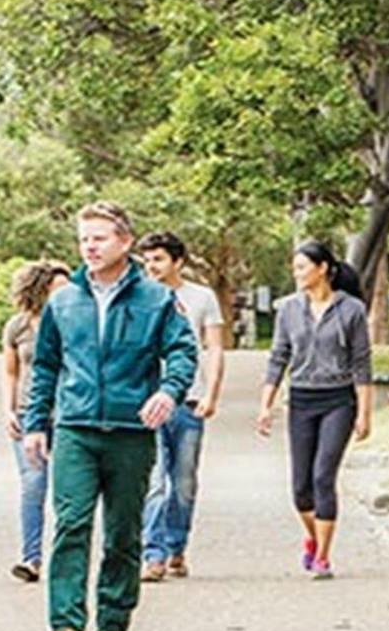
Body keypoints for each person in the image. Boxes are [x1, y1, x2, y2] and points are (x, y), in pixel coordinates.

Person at [22, 202, 197, 631]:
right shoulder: (63, 301)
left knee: (123, 532)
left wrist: (169, 391)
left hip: (130, 430)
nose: (90, 247)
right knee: (72, 524)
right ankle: (66, 627)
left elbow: (182, 351)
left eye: (99, 238)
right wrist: (36, 422)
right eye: (84, 239)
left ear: (124, 241)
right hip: (76, 428)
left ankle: (114, 628)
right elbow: (45, 367)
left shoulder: (155, 299)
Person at [255, 240, 372, 580]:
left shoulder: (351, 309)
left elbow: (362, 363)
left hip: (339, 400)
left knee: (323, 476)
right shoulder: (289, 309)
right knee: (300, 489)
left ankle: (322, 556)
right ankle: (312, 535)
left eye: (302, 267)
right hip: (302, 400)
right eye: (295, 268)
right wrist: (266, 404)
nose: (297, 274)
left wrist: (364, 413)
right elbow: (278, 357)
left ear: (323, 269)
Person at [136, 232, 226, 582]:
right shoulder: (139, 297)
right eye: (147, 260)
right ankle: (153, 555)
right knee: (155, 481)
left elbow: (214, 348)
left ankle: (177, 547)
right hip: (147, 401)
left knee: (183, 482)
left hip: (189, 402)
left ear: (178, 262)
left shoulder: (201, 297)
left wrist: (212, 394)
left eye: (158, 259)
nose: (151, 267)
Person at [2, 259, 72, 583]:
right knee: (33, 484)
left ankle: (68, 556)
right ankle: (31, 558)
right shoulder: (18, 326)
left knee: (69, 489)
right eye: (56, 289)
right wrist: (8, 410)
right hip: (30, 414)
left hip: (70, 414)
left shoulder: (77, 322)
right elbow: (11, 371)